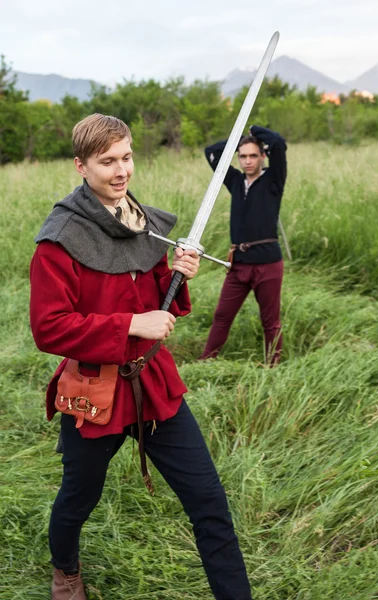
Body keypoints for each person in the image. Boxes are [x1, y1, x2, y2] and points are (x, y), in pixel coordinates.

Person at [30, 114, 252, 600]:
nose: (120, 170)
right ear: (80, 166)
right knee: (78, 498)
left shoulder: (146, 226)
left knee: (209, 501)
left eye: (126, 157)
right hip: (94, 391)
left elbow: (160, 308)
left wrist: (177, 275)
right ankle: (65, 569)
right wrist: (129, 323)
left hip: (153, 385)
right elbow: (48, 328)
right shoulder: (59, 240)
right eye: (106, 161)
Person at [199, 125, 287, 364]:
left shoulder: (273, 180)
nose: (247, 161)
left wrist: (255, 130)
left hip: (268, 264)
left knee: (270, 321)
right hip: (239, 265)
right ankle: (206, 361)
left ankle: (273, 366)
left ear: (263, 156)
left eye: (253, 155)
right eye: (243, 156)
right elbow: (212, 152)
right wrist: (238, 137)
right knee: (222, 315)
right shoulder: (235, 181)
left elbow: (278, 143)